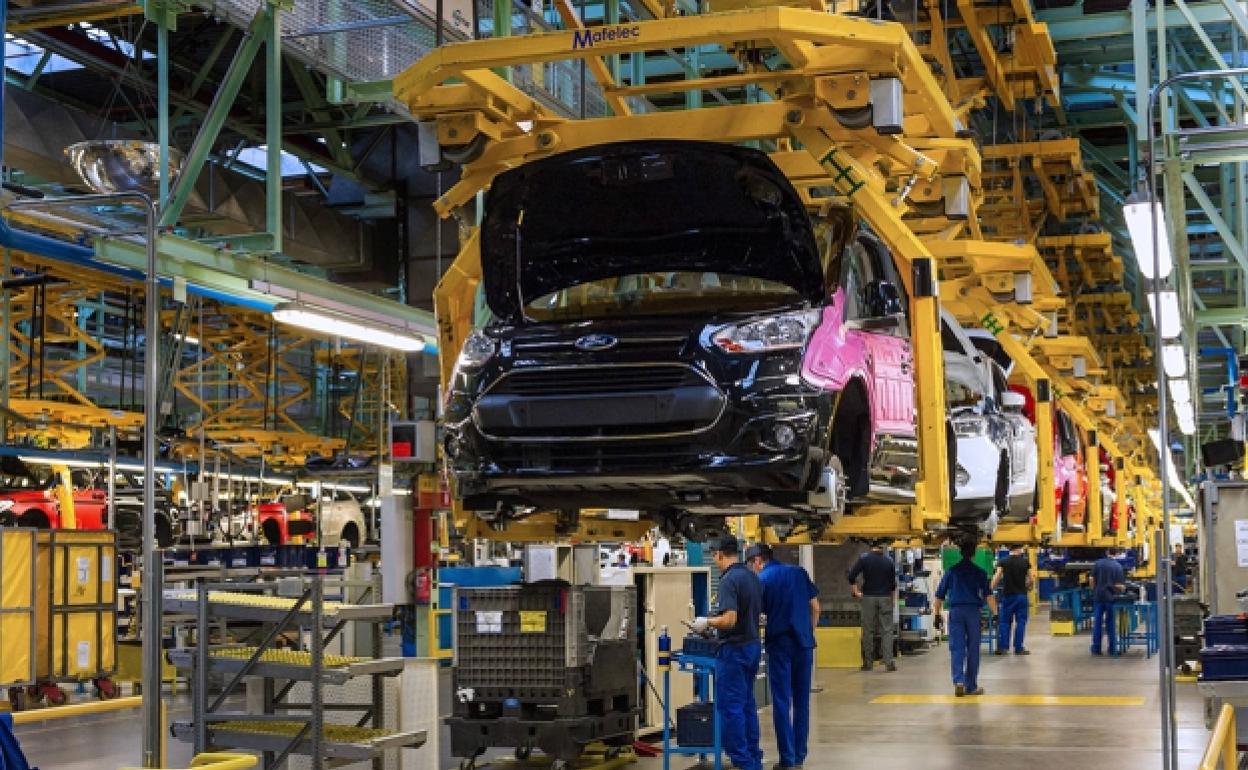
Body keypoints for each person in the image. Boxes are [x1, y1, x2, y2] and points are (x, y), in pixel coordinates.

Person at [690, 536, 763, 770]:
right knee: (747, 705)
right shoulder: (751, 576)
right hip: (752, 645)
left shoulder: (729, 580)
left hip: (734, 651)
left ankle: (743, 762)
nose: (715, 559)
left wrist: (707, 622)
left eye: (714, 555)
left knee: (731, 708)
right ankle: (753, 758)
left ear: (720, 554)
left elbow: (730, 619)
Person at [746, 543, 819, 770]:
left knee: (781, 701)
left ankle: (787, 758)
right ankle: (799, 756)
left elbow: (755, 616)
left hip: (780, 645)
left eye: (751, 566)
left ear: (758, 561)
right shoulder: (799, 573)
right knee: (802, 702)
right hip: (804, 644)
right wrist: (808, 632)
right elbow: (816, 607)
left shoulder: (763, 580)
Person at [933, 538, 997, 697]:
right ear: (974, 553)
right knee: (973, 649)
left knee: (957, 647)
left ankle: (959, 681)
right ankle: (971, 686)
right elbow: (989, 596)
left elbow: (939, 595)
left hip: (956, 612)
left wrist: (936, 614)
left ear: (960, 553)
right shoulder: (980, 572)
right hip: (973, 613)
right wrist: (995, 614)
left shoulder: (951, 571)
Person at [847, 540, 897, 671]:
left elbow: (851, 575)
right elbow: (893, 585)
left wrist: (855, 590)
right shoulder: (889, 561)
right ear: (883, 547)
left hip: (868, 598)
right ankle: (888, 662)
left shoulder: (864, 559)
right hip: (885, 597)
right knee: (886, 631)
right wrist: (892, 600)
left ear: (871, 547)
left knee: (868, 631)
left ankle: (868, 663)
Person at [991, 545, 1033, 655]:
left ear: (1010, 550)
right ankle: (1018, 648)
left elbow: (997, 576)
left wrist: (991, 588)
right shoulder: (1025, 562)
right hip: (1021, 597)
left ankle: (1003, 648)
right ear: (1018, 550)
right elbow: (1031, 579)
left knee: (1004, 622)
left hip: (1008, 596)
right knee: (1021, 622)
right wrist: (1028, 586)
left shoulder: (1003, 561)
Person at [1090, 547, 1126, 655]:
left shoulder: (1098, 563)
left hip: (1098, 597)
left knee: (1097, 623)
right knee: (1111, 624)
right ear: (1117, 554)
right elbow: (1120, 586)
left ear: (1107, 553)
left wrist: (1094, 589)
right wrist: (1123, 589)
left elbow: (1091, 579)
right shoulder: (1118, 566)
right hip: (1111, 598)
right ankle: (1112, 648)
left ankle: (1096, 649)